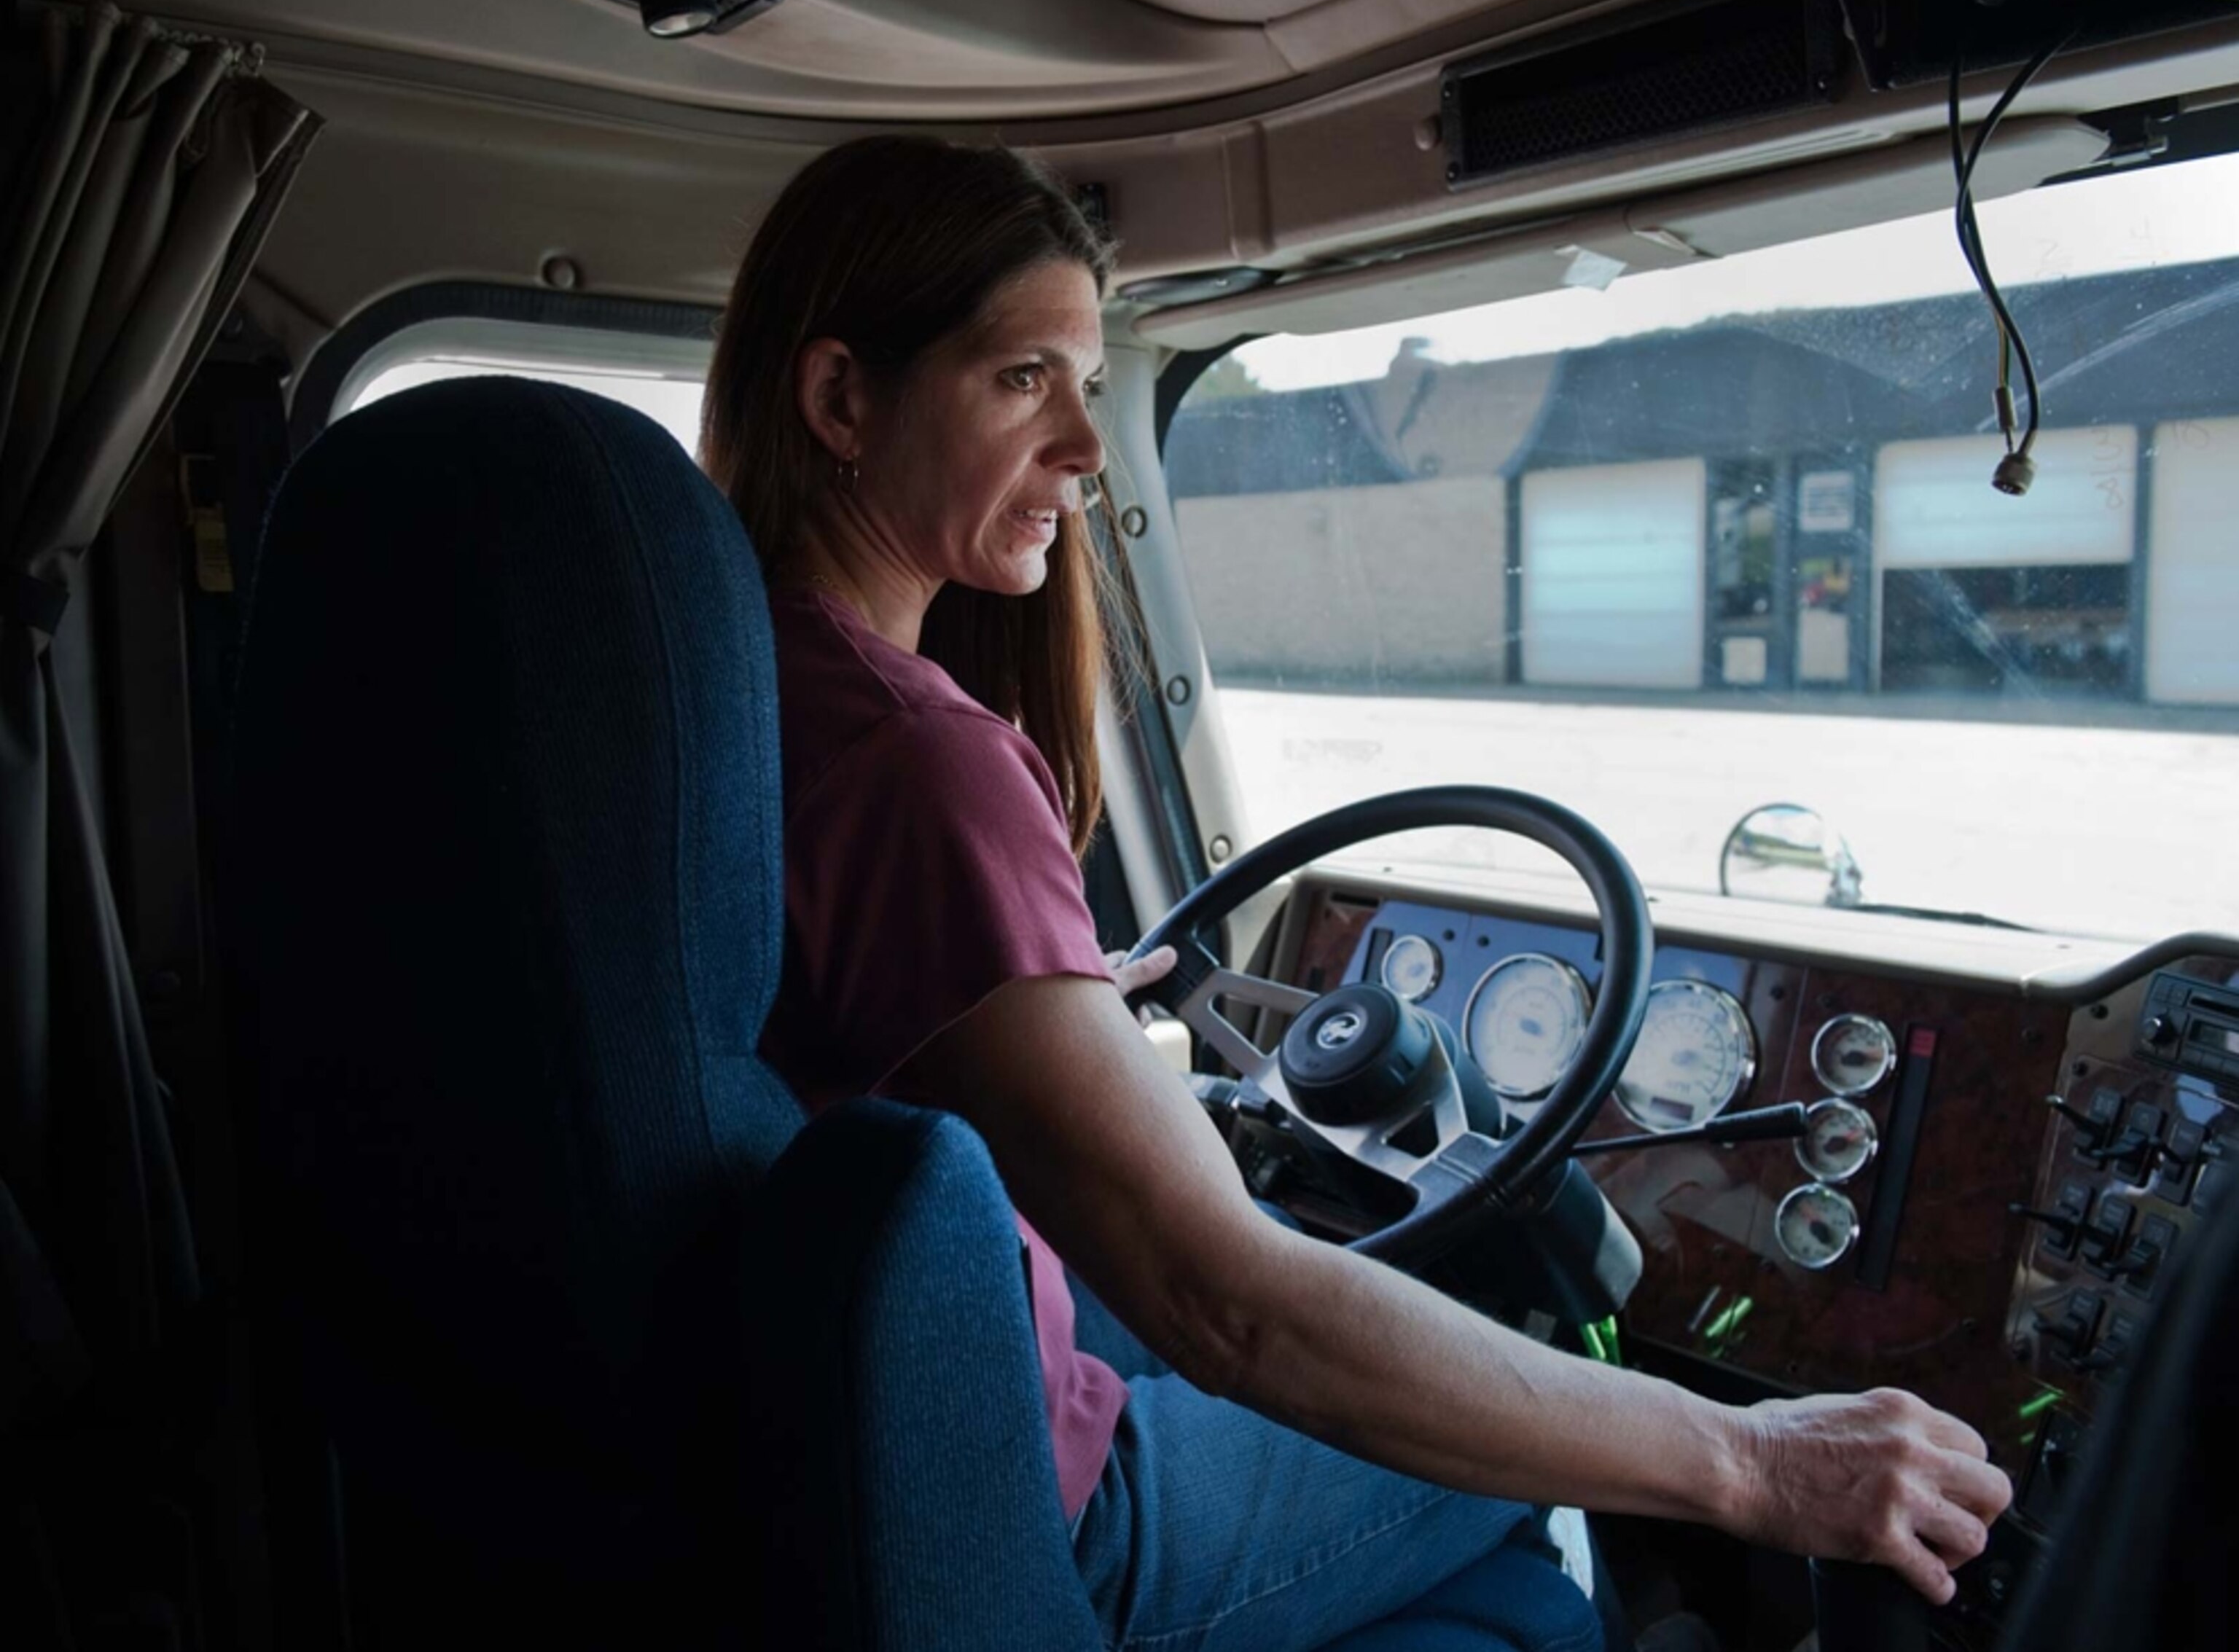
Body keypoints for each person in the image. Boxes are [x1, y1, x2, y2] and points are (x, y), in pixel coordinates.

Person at [698, 135, 2012, 1652]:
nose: (1088, 445)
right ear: (843, 398)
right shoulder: (914, 755)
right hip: (1043, 1527)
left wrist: (1055, 1007)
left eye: (1090, 378)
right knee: (1529, 1397)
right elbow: (1235, 1308)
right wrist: (1754, 1457)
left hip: (812, 1459)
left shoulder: (733, 689)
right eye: (1022, 380)